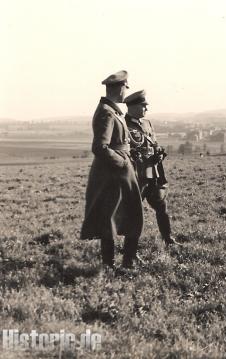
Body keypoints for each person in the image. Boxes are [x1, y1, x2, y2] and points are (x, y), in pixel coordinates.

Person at [80, 70, 144, 269]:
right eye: (125, 88)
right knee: (113, 217)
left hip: (119, 170)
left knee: (123, 215)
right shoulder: (107, 113)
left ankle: (126, 260)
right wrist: (122, 162)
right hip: (114, 172)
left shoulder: (111, 110)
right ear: (120, 88)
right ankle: (115, 264)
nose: (126, 92)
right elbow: (99, 147)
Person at [123, 90, 180, 247]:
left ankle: (168, 238)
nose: (146, 109)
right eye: (143, 106)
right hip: (137, 177)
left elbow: (154, 144)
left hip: (153, 174)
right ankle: (130, 250)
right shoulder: (123, 125)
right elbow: (126, 152)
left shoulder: (147, 123)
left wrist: (160, 153)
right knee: (134, 214)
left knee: (162, 206)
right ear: (133, 107)